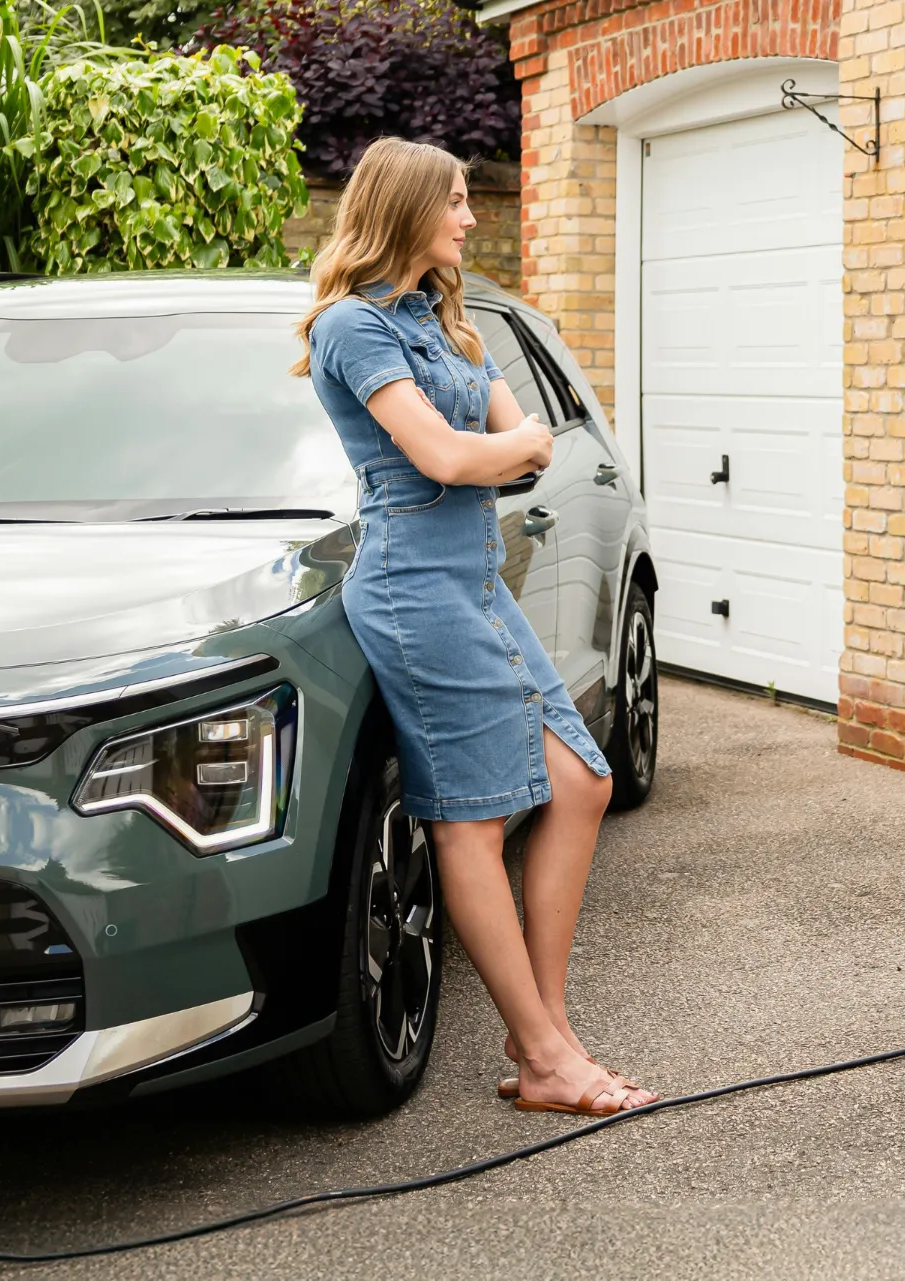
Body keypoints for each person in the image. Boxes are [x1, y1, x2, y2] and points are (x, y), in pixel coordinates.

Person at [294, 137, 655, 1117]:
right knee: (472, 818)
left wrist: (502, 446)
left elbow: (519, 441)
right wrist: (500, 447)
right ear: (407, 209)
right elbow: (452, 456)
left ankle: (548, 1032)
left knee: (581, 780)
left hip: (479, 581)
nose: (468, 216)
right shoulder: (351, 329)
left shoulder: (445, 327)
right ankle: (546, 1056)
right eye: (455, 202)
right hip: (415, 591)